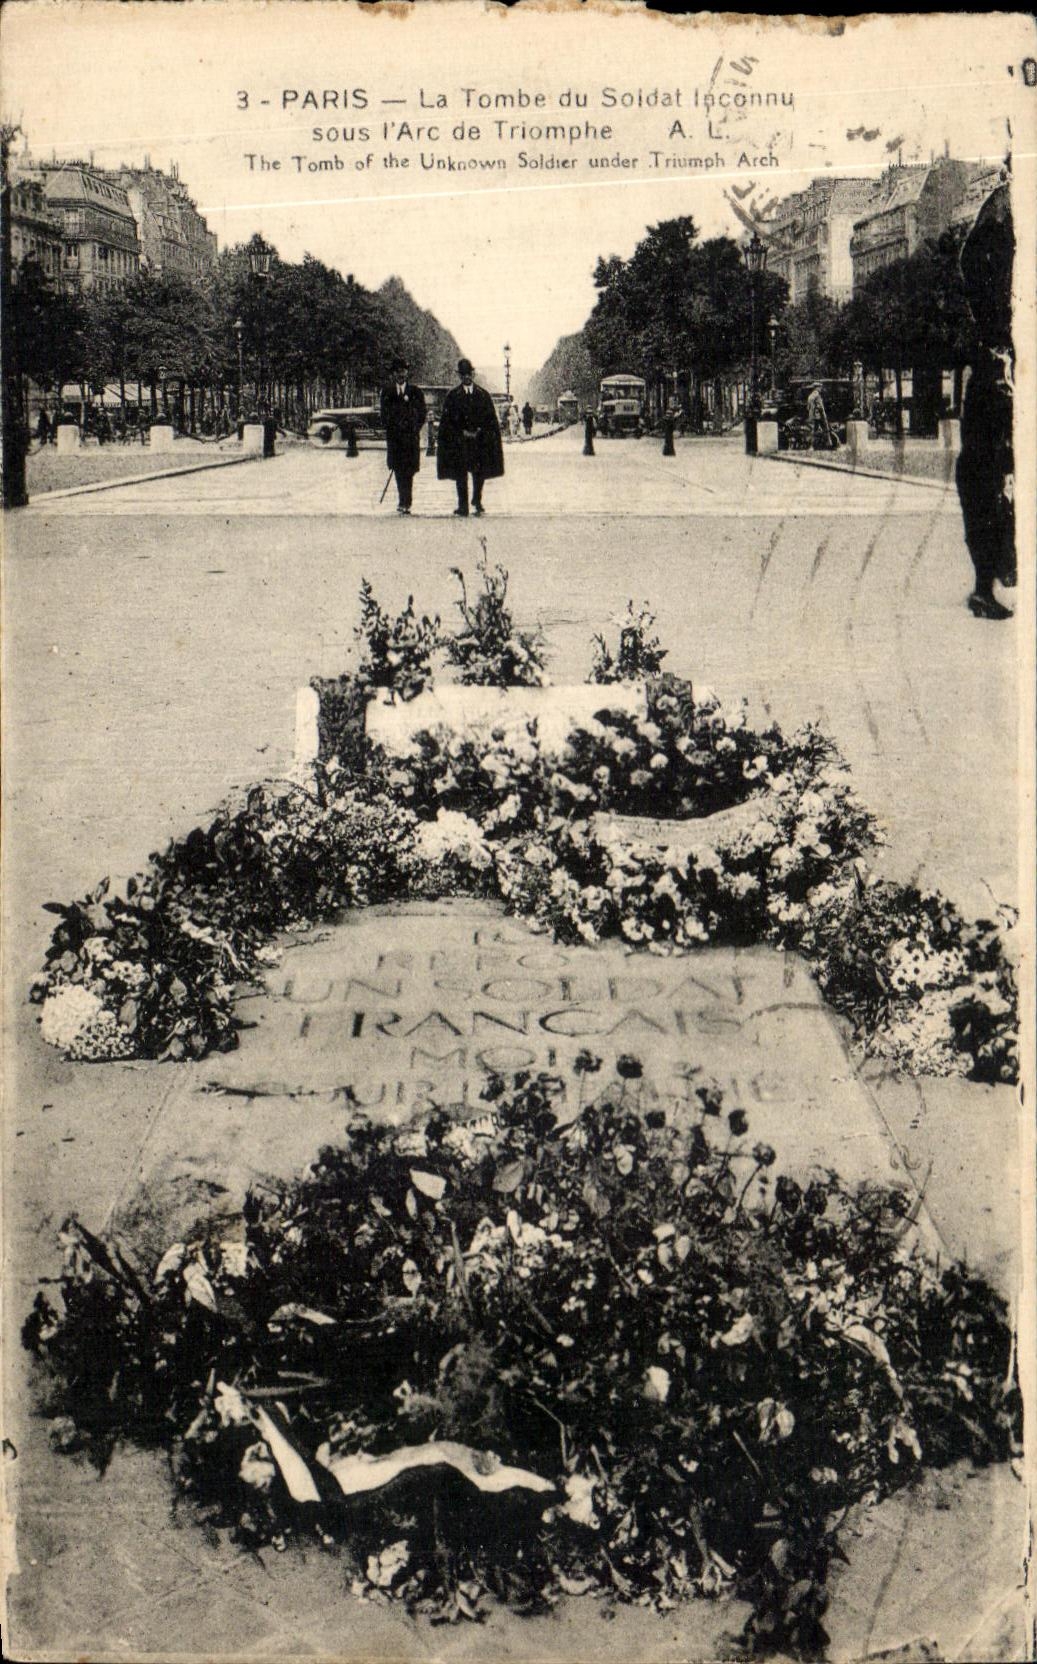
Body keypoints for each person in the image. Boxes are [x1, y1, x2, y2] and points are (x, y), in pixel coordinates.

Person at [956, 179, 1015, 621]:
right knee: (987, 480)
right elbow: (973, 256)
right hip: (999, 366)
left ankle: (992, 579)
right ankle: (986, 583)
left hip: (1001, 362)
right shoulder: (1000, 208)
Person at [436, 358, 504, 517]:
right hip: (460, 442)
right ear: (459, 376)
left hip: (479, 441)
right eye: (463, 374)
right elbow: (447, 421)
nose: (467, 377)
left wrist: (480, 431)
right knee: (461, 474)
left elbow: (490, 419)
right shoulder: (452, 396)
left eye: (469, 374)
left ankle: (477, 500)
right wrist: (461, 432)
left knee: (479, 472)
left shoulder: (483, 395)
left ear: (473, 374)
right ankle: (463, 506)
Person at [380, 358, 427, 513]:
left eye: (403, 371)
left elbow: (422, 414)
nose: (401, 374)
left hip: (410, 438)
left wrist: (413, 428)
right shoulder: (387, 392)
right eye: (398, 371)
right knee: (398, 469)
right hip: (395, 439)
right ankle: (403, 501)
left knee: (409, 470)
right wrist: (393, 428)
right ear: (394, 374)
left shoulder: (416, 392)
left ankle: (407, 501)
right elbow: (384, 415)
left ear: (407, 373)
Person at [805, 383, 831, 449]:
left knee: (813, 430)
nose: (821, 389)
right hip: (819, 416)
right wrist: (824, 415)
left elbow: (808, 407)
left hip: (812, 416)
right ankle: (828, 443)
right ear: (816, 388)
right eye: (820, 387)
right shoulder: (817, 395)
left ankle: (811, 445)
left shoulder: (810, 396)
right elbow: (820, 407)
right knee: (825, 428)